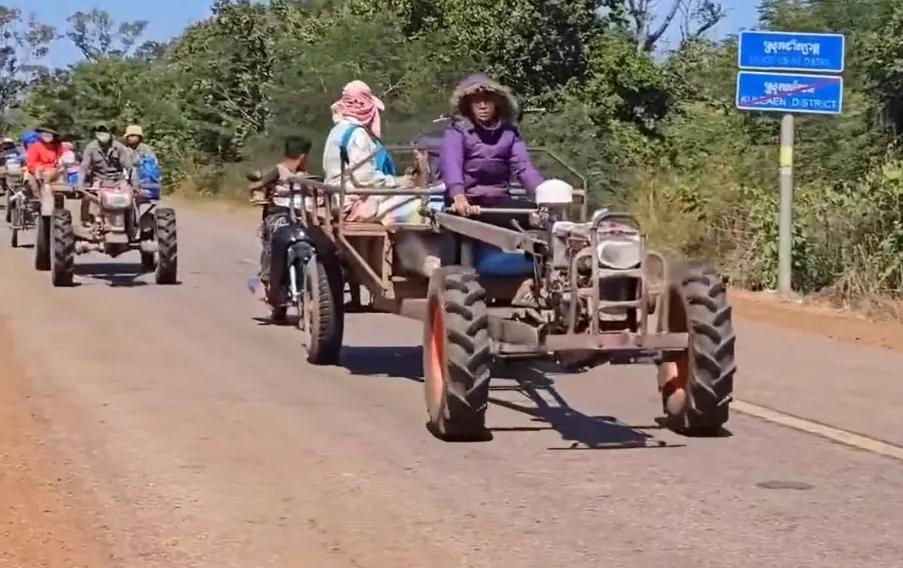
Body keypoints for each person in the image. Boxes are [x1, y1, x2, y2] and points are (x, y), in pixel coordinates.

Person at [439, 73, 545, 216]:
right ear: (468, 105)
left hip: (498, 199)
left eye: (487, 101)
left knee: (539, 214)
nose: (482, 106)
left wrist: (543, 190)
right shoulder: (457, 131)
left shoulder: (509, 133)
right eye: (477, 101)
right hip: (465, 199)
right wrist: (458, 195)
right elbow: (451, 164)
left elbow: (523, 167)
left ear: (497, 103)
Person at [322, 80, 422, 226]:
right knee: (419, 204)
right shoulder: (358, 134)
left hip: (336, 198)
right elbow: (364, 178)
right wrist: (399, 181)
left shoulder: (337, 129)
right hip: (353, 202)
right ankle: (400, 246)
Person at [247, 135, 313, 301]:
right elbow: (256, 185)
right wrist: (259, 194)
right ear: (303, 157)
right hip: (278, 214)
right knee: (273, 242)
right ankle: (264, 280)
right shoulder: (278, 171)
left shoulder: (305, 175)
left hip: (301, 215)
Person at [79, 123, 133, 188]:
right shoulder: (90, 148)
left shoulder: (119, 147)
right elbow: (84, 167)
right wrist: (80, 185)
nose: (102, 133)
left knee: (126, 194)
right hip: (98, 181)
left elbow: (129, 167)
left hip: (118, 180)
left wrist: (134, 184)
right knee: (93, 195)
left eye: (105, 131)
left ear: (110, 132)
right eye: (99, 131)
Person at [25, 126, 65, 197]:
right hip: (38, 172)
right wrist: (39, 169)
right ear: (40, 135)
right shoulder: (34, 146)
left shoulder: (56, 147)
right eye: (44, 133)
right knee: (34, 182)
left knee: (61, 172)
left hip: (53, 172)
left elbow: (57, 160)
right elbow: (31, 163)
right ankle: (38, 197)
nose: (46, 135)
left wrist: (56, 166)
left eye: (49, 134)